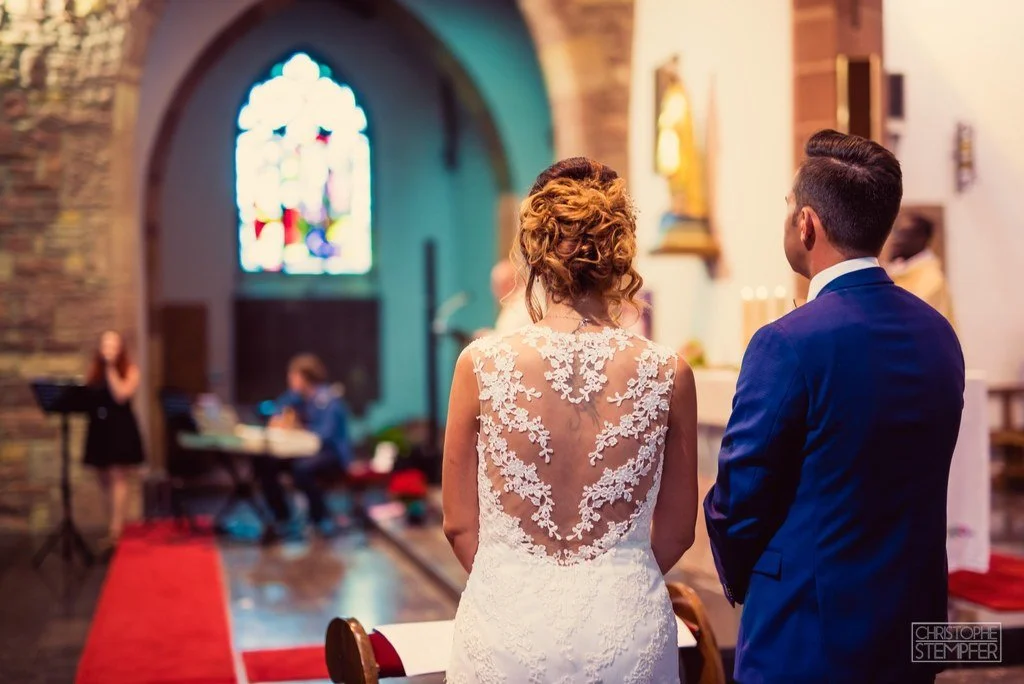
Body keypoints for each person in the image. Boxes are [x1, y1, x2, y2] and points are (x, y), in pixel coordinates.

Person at [704, 130, 965, 684]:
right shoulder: (938, 333)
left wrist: (753, 579)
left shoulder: (787, 342)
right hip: (911, 628)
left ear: (806, 224)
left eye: (787, 208)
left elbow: (740, 495)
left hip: (808, 631)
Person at [443, 157, 699, 682]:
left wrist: (511, 582)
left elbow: (459, 524)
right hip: (626, 629)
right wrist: (618, 582)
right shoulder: (668, 372)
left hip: (507, 625)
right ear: (619, 253)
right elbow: (677, 531)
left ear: (535, 251)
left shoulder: (480, 364)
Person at [254, 353, 353, 538]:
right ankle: (281, 516)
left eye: (293, 376)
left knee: (302, 469)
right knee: (265, 462)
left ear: (304, 377)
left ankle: (320, 517)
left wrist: (298, 429)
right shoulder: (296, 397)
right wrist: (279, 418)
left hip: (331, 454)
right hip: (303, 451)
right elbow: (276, 409)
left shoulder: (327, 400)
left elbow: (324, 436)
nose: (290, 380)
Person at [83, 330, 145, 552]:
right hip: (100, 428)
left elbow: (121, 395)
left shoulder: (130, 370)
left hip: (121, 429)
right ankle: (111, 521)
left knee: (118, 476)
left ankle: (116, 530)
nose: (109, 350)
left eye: (113, 346)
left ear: (120, 349)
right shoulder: (94, 371)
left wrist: (111, 369)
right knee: (103, 478)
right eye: (105, 345)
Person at [887, 212, 955, 326]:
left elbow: (912, 322)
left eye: (904, 234)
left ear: (921, 239)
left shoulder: (932, 280)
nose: (896, 240)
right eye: (896, 232)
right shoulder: (896, 273)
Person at [474, 259, 534, 339]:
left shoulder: (519, 306)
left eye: (495, 285)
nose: (493, 290)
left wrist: (486, 337)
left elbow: (511, 339)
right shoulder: (518, 303)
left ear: (508, 283)